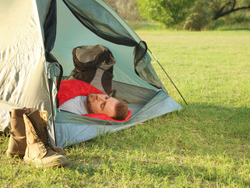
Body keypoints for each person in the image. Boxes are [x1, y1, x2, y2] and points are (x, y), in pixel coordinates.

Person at [59, 93, 128, 120]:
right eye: (106, 97)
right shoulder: (87, 92)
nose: (99, 97)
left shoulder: (68, 111)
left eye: (102, 105)